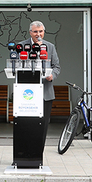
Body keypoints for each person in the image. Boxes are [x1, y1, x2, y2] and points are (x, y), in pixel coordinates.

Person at [19, 20, 61, 152]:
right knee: (26, 123)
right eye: (35, 32)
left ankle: (38, 152)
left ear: (44, 32)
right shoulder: (21, 45)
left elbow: (57, 67)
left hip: (45, 92)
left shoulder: (50, 46)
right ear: (30, 32)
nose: (38, 34)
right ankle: (25, 151)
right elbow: (18, 65)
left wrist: (52, 75)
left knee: (43, 125)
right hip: (27, 93)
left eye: (41, 31)